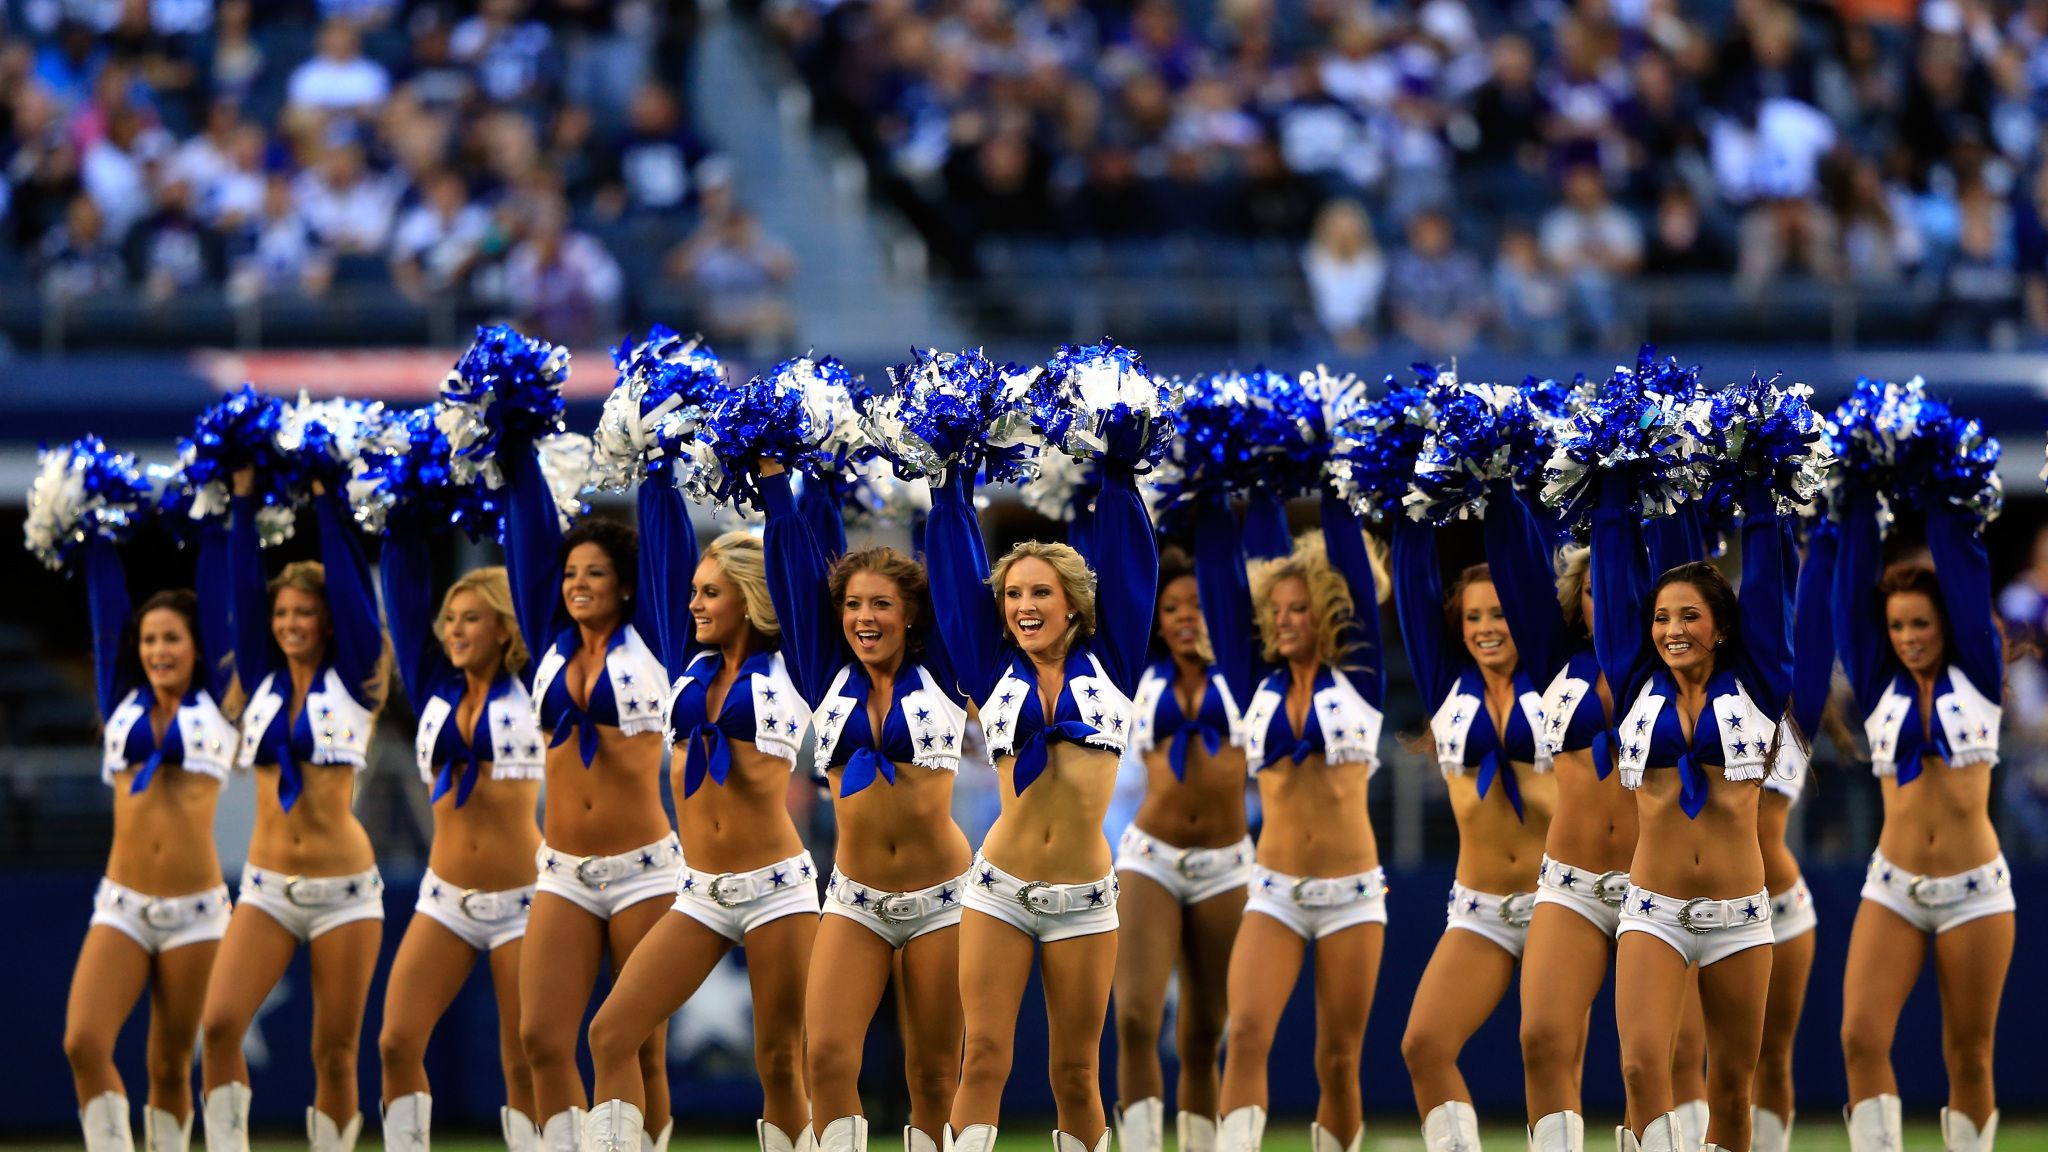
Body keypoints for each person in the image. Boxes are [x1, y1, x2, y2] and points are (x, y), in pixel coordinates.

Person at [926, 449, 1159, 1152]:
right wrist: (949, 479)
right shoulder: (989, 671)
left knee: (1076, 1073)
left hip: (1086, 896)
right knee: (986, 1055)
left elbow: (1129, 563)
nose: (1025, 606)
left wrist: (1119, 473)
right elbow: (951, 571)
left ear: (1074, 603)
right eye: (1014, 595)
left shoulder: (1114, 661)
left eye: (1041, 593)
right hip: (998, 888)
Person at [582, 475, 818, 1152]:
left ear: (749, 597)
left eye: (710, 592)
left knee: (780, 1061)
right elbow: (661, 553)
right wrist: (656, 471)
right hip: (700, 891)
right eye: (693, 592)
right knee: (612, 1032)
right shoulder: (685, 664)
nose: (694, 604)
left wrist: (777, 485)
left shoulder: (793, 666)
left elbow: (799, 567)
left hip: (777, 889)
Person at [763, 463, 972, 1152]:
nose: (864, 618)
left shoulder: (940, 671)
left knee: (936, 1075)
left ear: (910, 613)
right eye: (852, 605)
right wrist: (775, 479)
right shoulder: (827, 675)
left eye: (880, 604)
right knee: (823, 1056)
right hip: (854, 899)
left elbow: (953, 564)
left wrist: (949, 473)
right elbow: (793, 569)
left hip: (943, 898)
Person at [1595, 477, 1790, 1152]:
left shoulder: (1759, 682)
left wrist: (1766, 491)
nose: (1672, 630)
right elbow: (1613, 562)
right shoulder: (1631, 682)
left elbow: (1768, 581)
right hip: (1654, 910)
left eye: (1688, 617)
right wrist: (1612, 487)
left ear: (1722, 627)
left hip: (1740, 917)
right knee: (1641, 1066)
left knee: (1733, 1091)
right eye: (1661, 618)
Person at [200, 471, 391, 1152]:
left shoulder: (357, 681)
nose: (287, 625)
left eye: (302, 613)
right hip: (265, 888)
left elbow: (351, 590)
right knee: (220, 1025)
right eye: (281, 616)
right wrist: (243, 500)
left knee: (334, 1053)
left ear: (328, 620)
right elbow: (241, 596)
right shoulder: (256, 679)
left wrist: (324, 500)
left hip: (344, 892)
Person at [501, 442, 675, 1152]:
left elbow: (669, 548)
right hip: (563, 871)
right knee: (541, 1036)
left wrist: (657, 464)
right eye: (571, 573)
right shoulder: (548, 643)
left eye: (595, 573)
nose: (577, 583)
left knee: (641, 1045)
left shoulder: (656, 642)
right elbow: (530, 542)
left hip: (643, 869)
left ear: (626, 585)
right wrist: (515, 450)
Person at [1835, 489, 2013, 1152]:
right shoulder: (1881, 687)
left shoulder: (1981, 678)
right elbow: (1849, 598)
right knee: (1859, 1033)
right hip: (1893, 887)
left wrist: (1947, 490)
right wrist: (1854, 500)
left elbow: (1966, 575)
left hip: (1976, 892)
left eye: (1921, 625)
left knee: (1969, 1054)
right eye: (1898, 627)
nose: (1909, 639)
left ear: (1948, 625)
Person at [1212, 490, 1386, 1152]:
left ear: (1328, 610)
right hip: (1273, 893)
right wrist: (1244, 489)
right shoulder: (1252, 679)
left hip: (1353, 895)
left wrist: (1336, 478)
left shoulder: (1360, 678)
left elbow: (1348, 565)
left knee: (1338, 1058)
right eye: (1274, 611)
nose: (1283, 621)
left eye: (1298, 609)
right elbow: (1224, 567)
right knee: (1247, 1034)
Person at [66, 523, 239, 1152]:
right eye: (149, 640)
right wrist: (94, 530)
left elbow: (222, 597)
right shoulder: (122, 701)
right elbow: (105, 612)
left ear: (199, 646)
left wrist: (224, 520)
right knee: (83, 1041)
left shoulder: (218, 703)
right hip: (123, 905)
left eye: (172, 639)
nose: (158, 650)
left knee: (170, 1067)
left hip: (197, 914)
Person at [1392, 512, 1557, 1152]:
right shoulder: (1445, 686)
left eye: (1500, 613)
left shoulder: (1553, 675)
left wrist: (1503, 488)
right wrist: (1406, 504)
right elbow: (1411, 583)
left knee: (1550, 1048)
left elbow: (1532, 561)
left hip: (1563, 900)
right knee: (1425, 1044)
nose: (1487, 628)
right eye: (1473, 617)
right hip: (1480, 906)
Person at [375, 550, 543, 1152]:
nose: (454, 630)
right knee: (396, 1041)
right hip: (444, 897)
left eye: (470, 619)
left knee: (524, 1056)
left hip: (525, 900)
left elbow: (537, 570)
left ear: (504, 625)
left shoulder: (535, 688)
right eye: (449, 620)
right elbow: (401, 591)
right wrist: (403, 510)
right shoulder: (434, 687)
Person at [1110, 538, 1257, 1152]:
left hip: (1228, 865)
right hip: (1151, 856)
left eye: (1198, 604)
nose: (1186, 616)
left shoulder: (1251, 673)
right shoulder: (1136, 679)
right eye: (1172, 607)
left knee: (1204, 1035)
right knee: (1136, 1017)